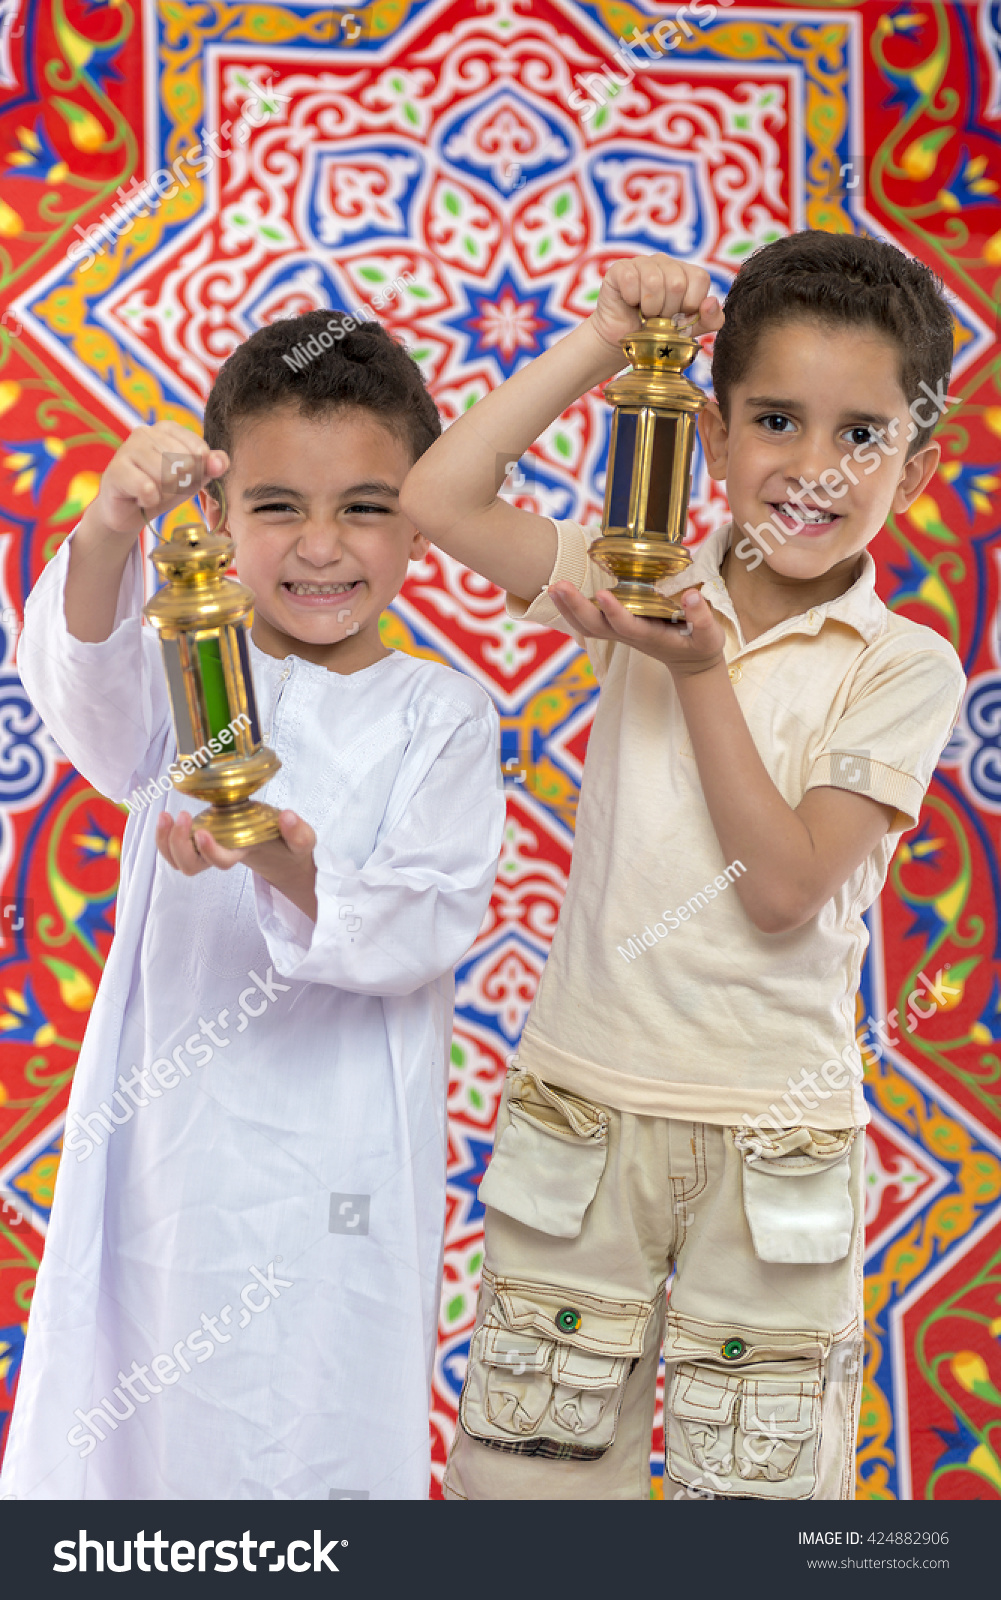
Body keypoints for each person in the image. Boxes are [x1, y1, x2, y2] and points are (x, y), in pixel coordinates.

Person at [399, 232, 967, 1500]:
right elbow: (438, 500)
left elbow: (780, 888)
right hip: (581, 1114)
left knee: (753, 1511)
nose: (812, 470)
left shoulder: (901, 663)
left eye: (859, 435)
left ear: (915, 465)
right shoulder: (631, 569)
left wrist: (696, 669)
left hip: (778, 1150)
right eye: (774, 419)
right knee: (526, 1495)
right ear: (709, 437)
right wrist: (609, 341)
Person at [2, 310, 506, 1500]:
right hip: (168, 1148)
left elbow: (421, 920)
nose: (320, 546)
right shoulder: (195, 669)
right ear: (219, 520)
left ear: (417, 520)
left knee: (309, 1424)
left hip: (339, 1158)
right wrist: (106, 523)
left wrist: (281, 861)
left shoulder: (442, 716)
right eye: (277, 505)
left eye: (365, 506)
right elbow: (83, 688)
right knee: (144, 1426)